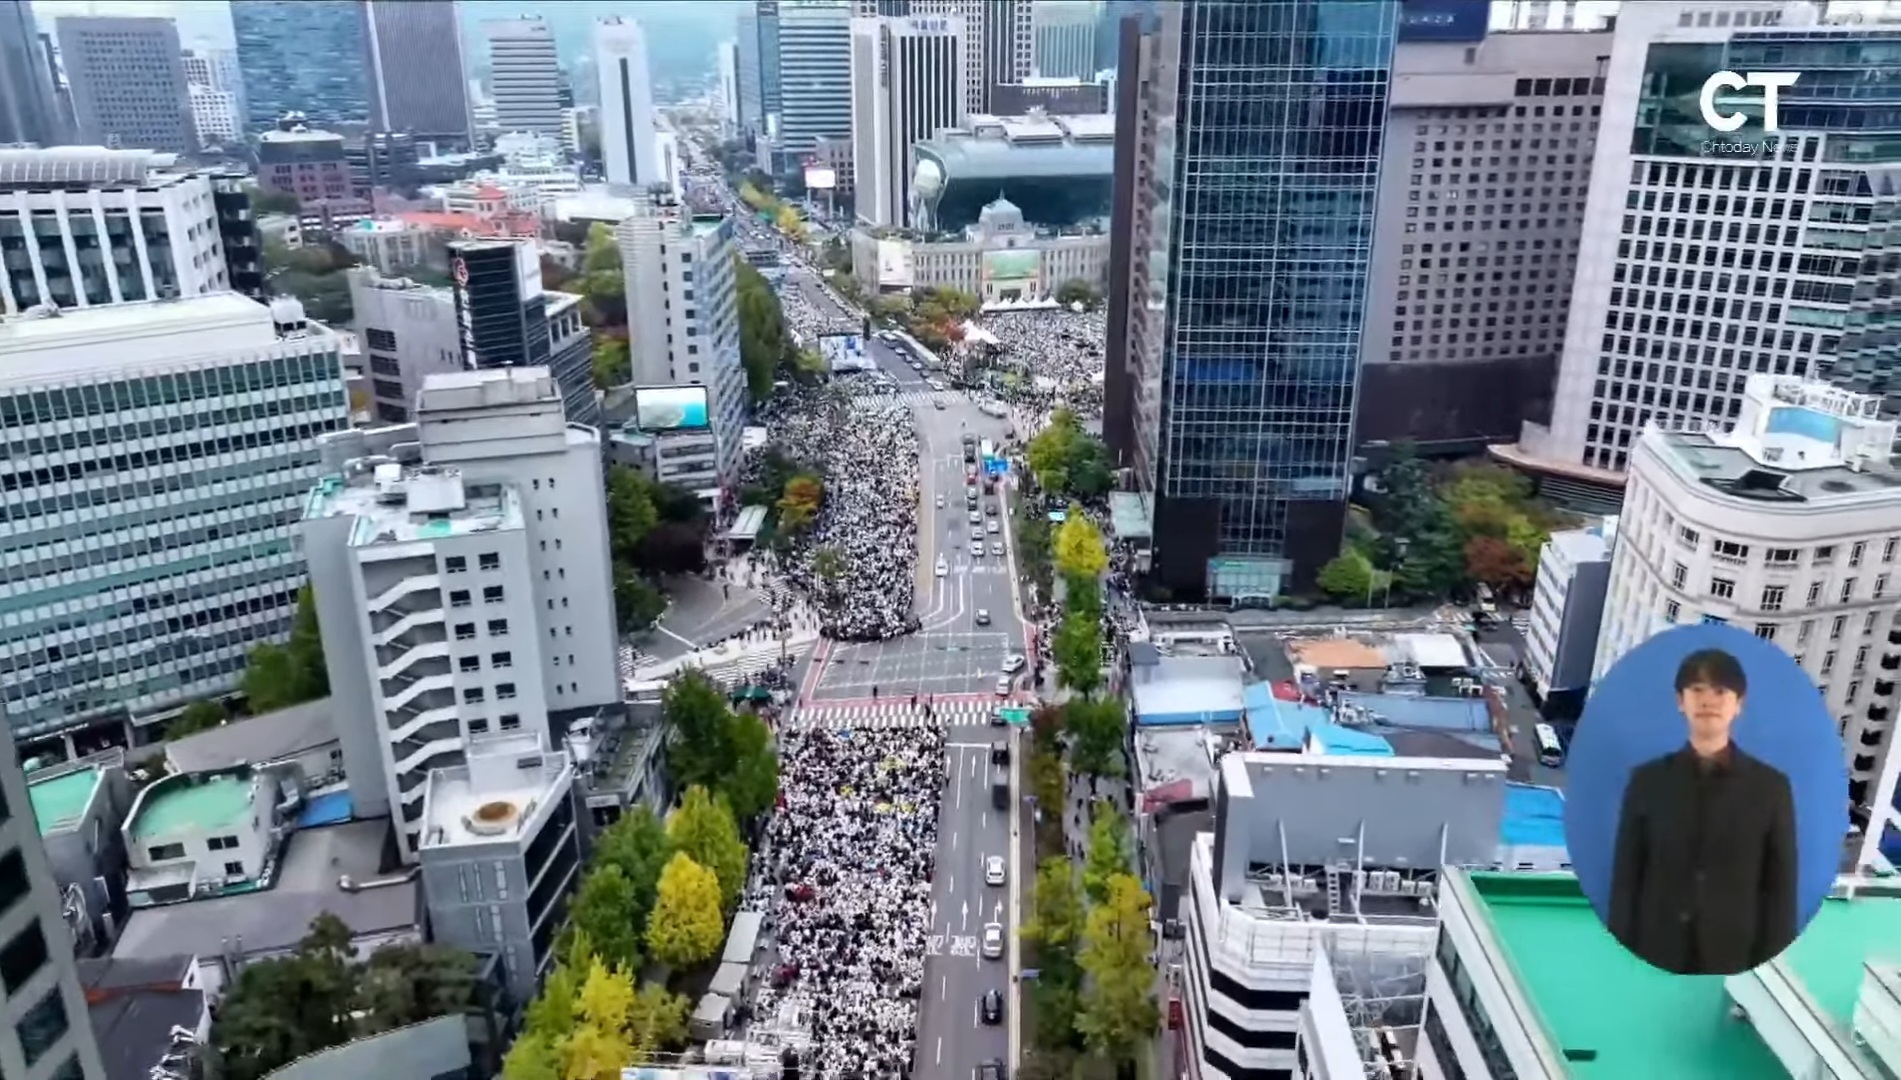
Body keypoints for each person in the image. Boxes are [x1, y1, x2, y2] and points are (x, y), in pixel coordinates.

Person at [1607, 647, 1798, 975]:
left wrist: (1767, 970)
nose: (1708, 701)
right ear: (1681, 701)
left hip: (1733, 957)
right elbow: (1626, 881)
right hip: (1655, 952)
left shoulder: (1771, 788)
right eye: (1697, 690)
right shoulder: (1648, 781)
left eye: (1720, 691)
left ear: (1738, 704)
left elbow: (1781, 892)